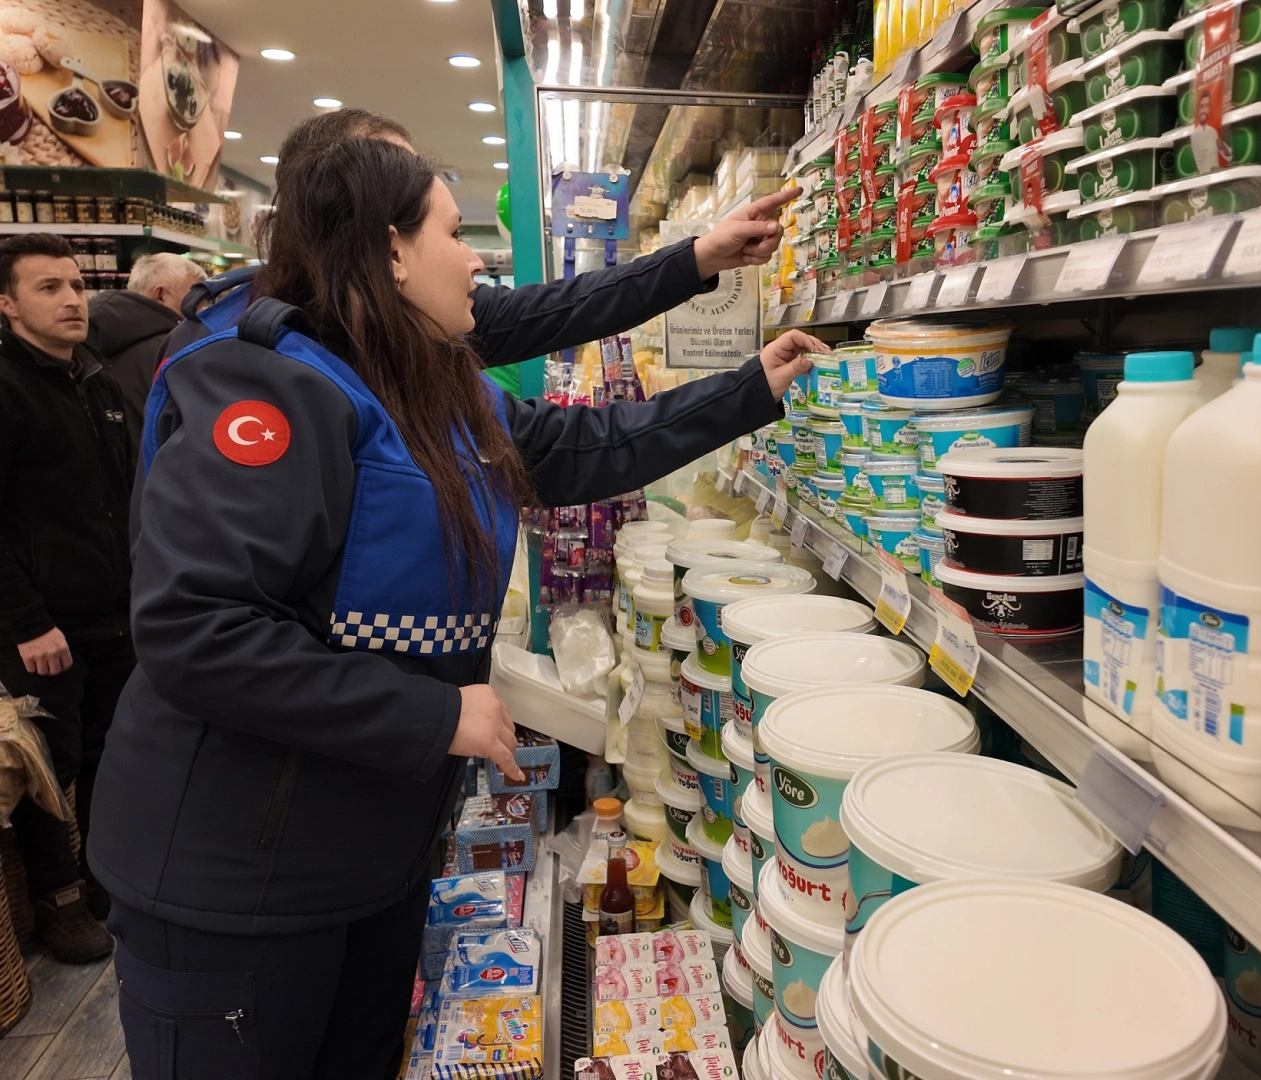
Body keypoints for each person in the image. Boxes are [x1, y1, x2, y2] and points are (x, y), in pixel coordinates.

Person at [91, 136, 823, 1079]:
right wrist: (435, 712)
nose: (478, 255)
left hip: (367, 856)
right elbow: (196, 630)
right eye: (452, 227)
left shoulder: (434, 382)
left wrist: (749, 389)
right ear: (389, 252)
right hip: (234, 880)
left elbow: (577, 445)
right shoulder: (267, 387)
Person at [168, 108, 796, 375]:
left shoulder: (413, 323)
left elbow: (561, 308)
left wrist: (697, 257)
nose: (470, 258)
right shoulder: (256, 361)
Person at [0, 233, 129, 963]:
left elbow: (121, 498)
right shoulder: (8, 388)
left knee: (110, 753)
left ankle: (102, 879)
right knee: (50, 768)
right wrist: (27, 621)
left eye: (76, 285)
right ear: (7, 304)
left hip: (112, 614)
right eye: (48, 287)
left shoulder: (97, 380)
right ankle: (58, 903)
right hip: (40, 627)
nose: (73, 299)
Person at [88, 252, 206, 453]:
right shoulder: (177, 350)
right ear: (160, 294)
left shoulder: (86, 341)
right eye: (196, 300)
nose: (203, 310)